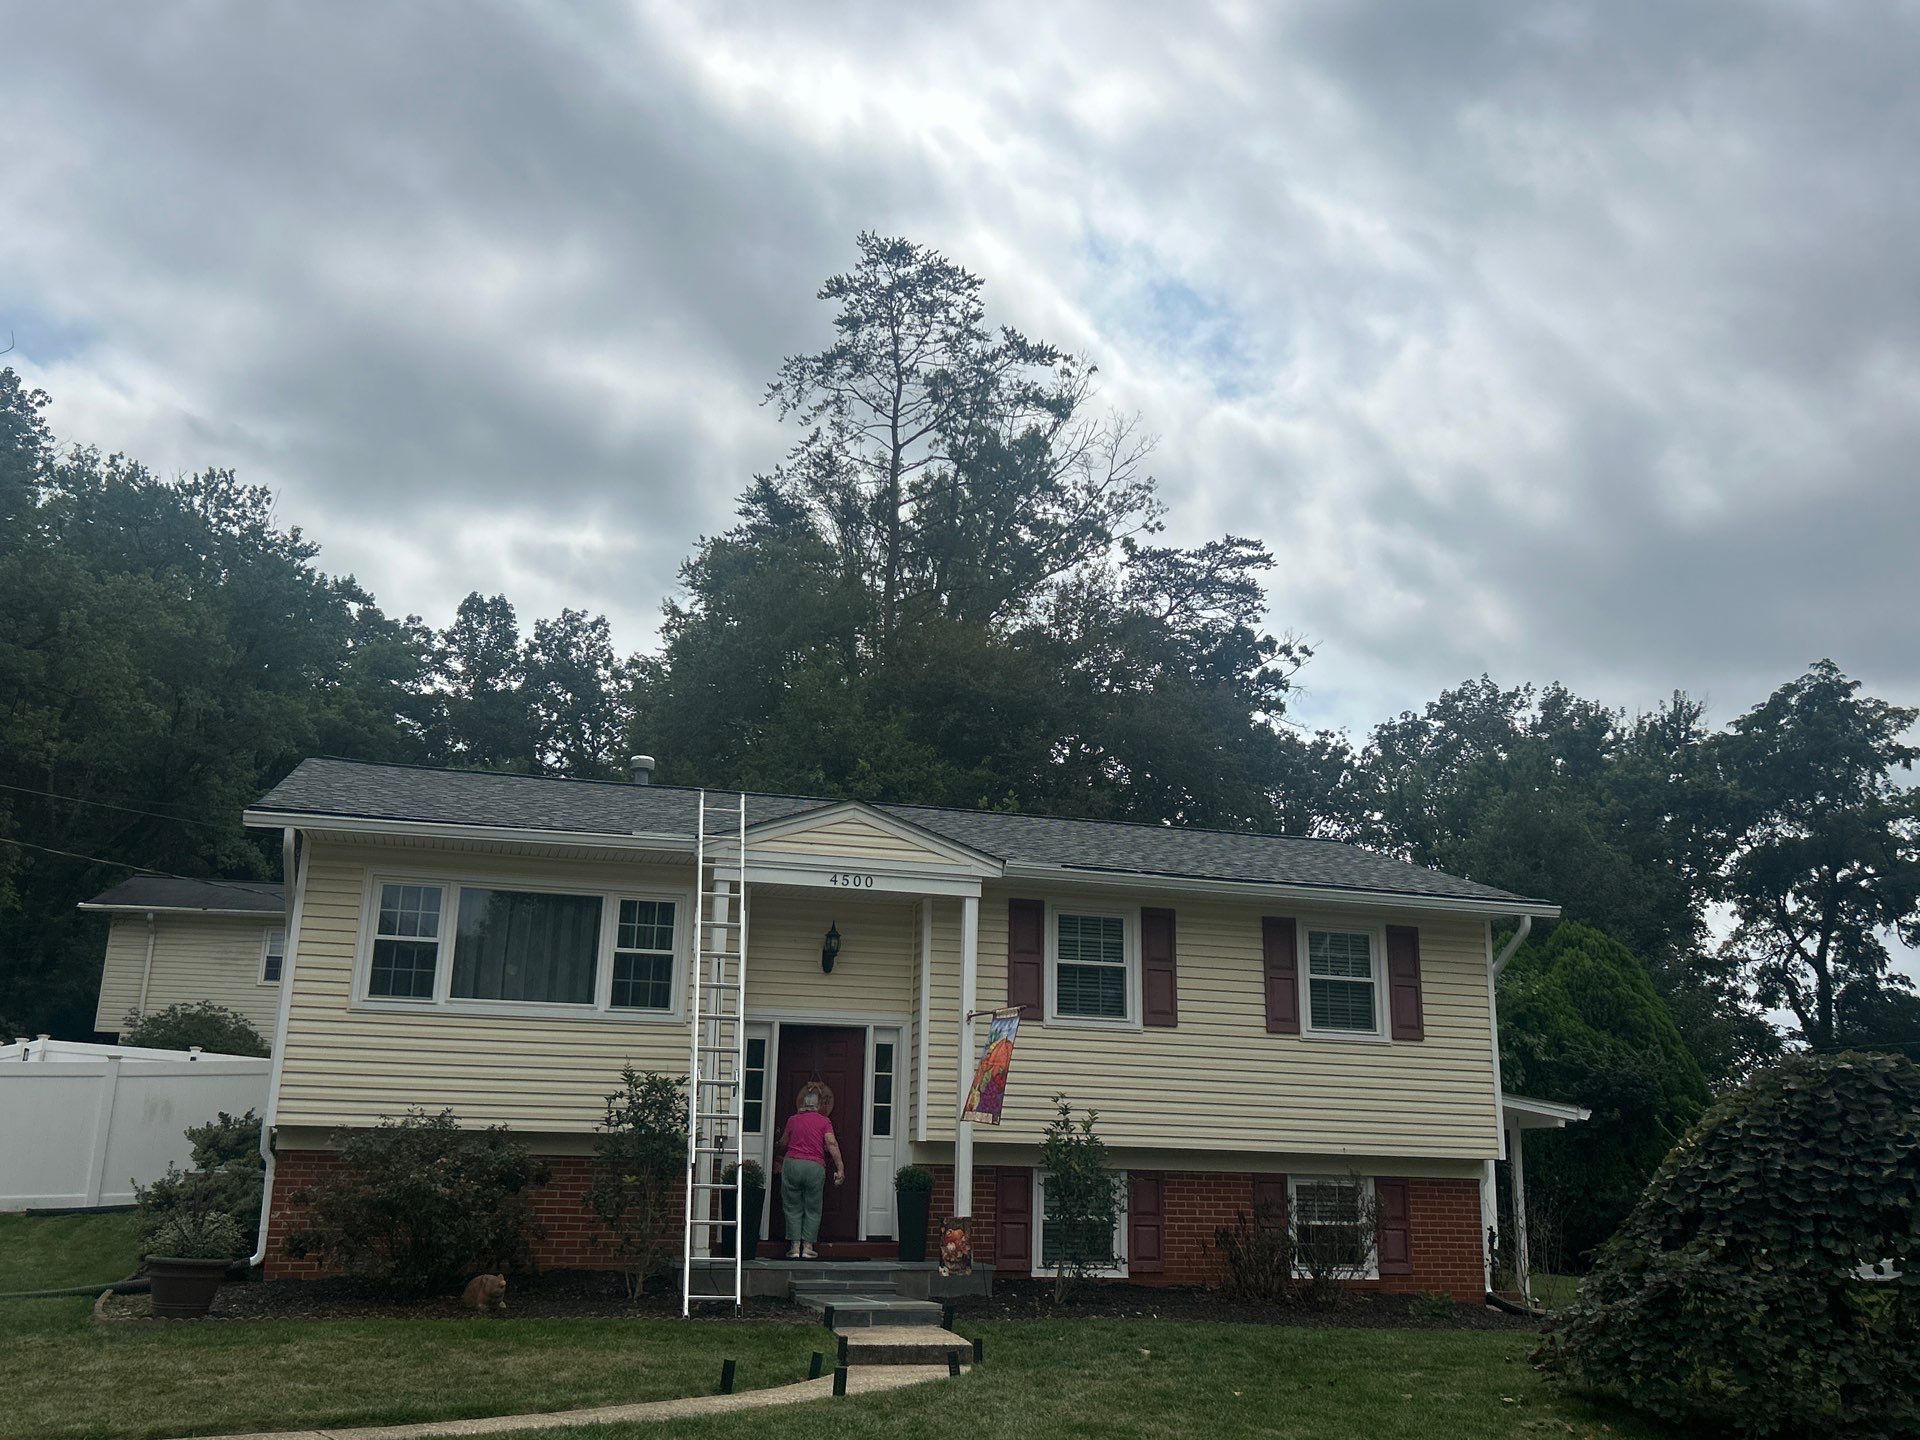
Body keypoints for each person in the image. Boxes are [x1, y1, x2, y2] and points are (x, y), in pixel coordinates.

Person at [772, 1080, 844, 1259]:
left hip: (793, 1164)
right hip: (814, 1166)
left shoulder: (792, 1120)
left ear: (803, 1104)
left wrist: (774, 1153)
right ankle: (808, 1247)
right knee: (813, 1207)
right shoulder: (824, 1121)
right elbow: (831, 1143)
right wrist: (840, 1168)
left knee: (792, 1205)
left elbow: (783, 1143)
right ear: (818, 1105)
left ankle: (794, 1246)